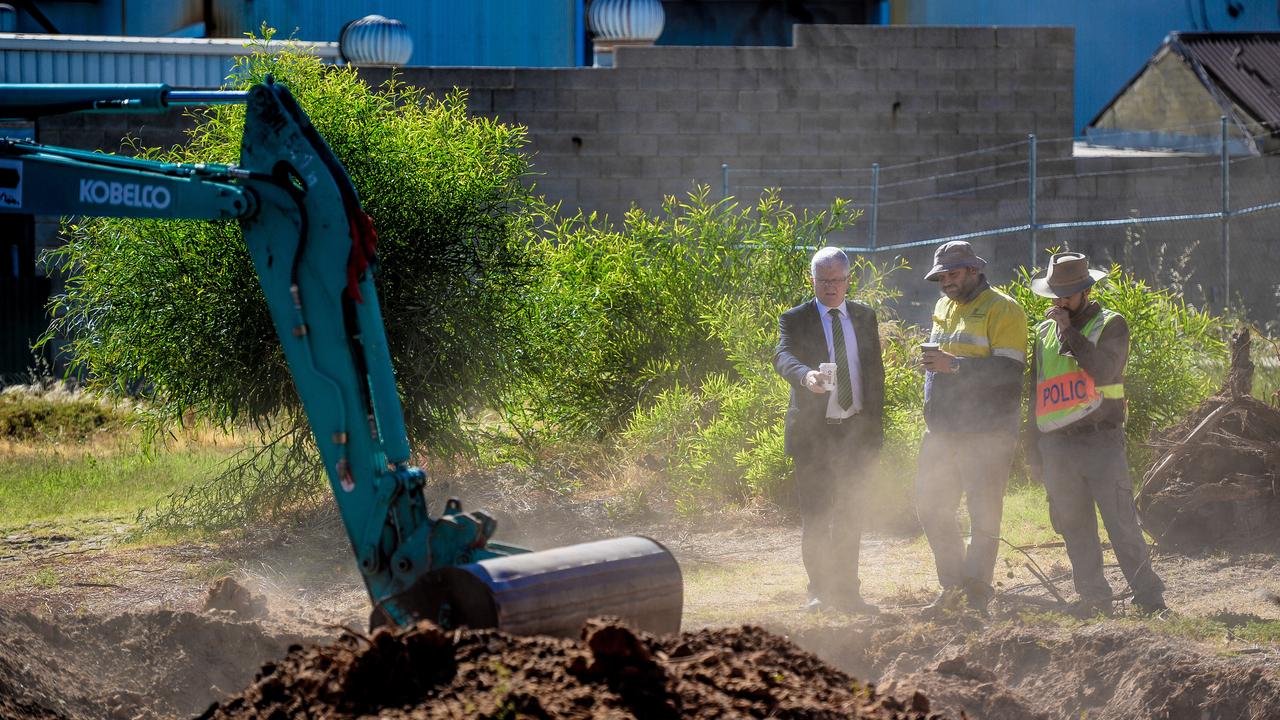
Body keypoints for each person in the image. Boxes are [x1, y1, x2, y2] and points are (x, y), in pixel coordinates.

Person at [1026, 251, 1166, 617]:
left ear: (1085, 291)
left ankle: (1150, 598)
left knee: (1121, 522)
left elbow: (1104, 371)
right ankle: (1093, 597)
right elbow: (1035, 393)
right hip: (1056, 445)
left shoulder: (1111, 324)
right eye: (1056, 294)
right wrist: (1033, 450)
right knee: (1074, 526)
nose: (1059, 302)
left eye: (1067, 295)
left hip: (1101, 440)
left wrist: (1069, 333)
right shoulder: (1041, 333)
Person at [915, 241, 1027, 619]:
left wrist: (955, 366)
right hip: (943, 430)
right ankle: (953, 589)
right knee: (930, 505)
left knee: (983, 513)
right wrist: (937, 366)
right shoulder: (943, 306)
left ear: (975, 270)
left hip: (987, 431)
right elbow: (944, 363)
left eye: (954, 273)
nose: (946, 281)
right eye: (941, 276)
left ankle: (976, 594)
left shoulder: (1005, 309)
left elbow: (1011, 375)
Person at [773, 246, 885, 614]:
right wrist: (806, 376)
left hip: (855, 431)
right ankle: (818, 592)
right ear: (813, 280)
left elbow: (875, 376)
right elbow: (783, 356)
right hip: (814, 436)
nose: (831, 287)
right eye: (824, 280)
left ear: (848, 279)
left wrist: (874, 432)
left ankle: (849, 593)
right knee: (818, 518)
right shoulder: (796, 318)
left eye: (837, 280)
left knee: (852, 516)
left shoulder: (865, 316)